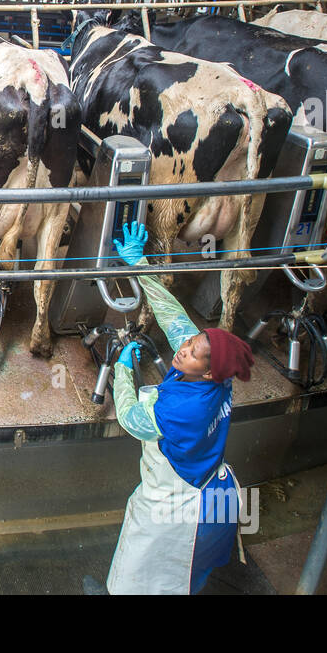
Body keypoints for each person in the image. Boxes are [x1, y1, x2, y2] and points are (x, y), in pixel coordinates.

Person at [91, 221, 255, 595]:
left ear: (209, 370)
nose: (184, 350)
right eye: (191, 344)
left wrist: (121, 370)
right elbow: (170, 313)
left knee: (153, 574)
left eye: (194, 353)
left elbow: (134, 421)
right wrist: (139, 264)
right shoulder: (219, 376)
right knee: (179, 574)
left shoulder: (184, 411)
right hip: (214, 489)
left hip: (182, 505)